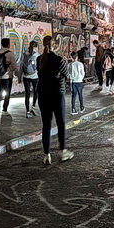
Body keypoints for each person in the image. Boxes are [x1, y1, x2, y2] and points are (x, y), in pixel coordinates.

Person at [38, 35, 74, 165]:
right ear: (54, 45)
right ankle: (63, 151)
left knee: (46, 125)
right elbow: (67, 75)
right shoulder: (58, 60)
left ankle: (46, 154)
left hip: (42, 95)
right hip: (57, 94)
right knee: (61, 123)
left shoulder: (39, 60)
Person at [0, 38, 17, 114]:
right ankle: (4, 107)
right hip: (7, 76)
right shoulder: (10, 53)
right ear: (8, 44)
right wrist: (11, 69)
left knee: (1, 89)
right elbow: (14, 66)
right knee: (7, 91)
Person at [22, 40, 40, 118]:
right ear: (36, 47)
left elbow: (22, 64)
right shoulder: (37, 55)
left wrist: (19, 76)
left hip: (25, 76)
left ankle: (27, 111)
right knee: (36, 92)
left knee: (27, 94)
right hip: (34, 76)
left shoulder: (24, 54)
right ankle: (33, 107)